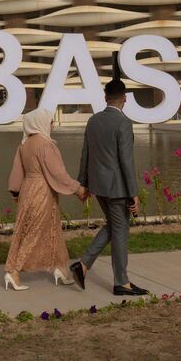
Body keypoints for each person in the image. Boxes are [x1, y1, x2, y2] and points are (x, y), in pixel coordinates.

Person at [69, 79, 148, 297]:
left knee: (114, 226)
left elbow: (86, 153)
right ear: (125, 98)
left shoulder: (93, 121)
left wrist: (82, 183)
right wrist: (134, 193)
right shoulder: (123, 123)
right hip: (117, 188)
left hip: (98, 186)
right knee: (120, 230)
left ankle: (83, 266)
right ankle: (121, 282)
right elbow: (126, 161)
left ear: (105, 98)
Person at [3, 108, 88, 291]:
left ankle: (60, 269)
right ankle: (14, 271)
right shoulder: (45, 144)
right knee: (34, 231)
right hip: (42, 191)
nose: (52, 124)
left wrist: (16, 193)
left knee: (51, 229)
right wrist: (77, 188)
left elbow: (17, 171)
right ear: (40, 122)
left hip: (28, 188)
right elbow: (58, 173)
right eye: (50, 121)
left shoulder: (24, 145)